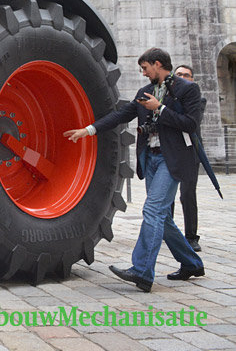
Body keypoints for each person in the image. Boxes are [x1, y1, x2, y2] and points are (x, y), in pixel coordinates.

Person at [64, 47, 204, 292]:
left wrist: (159, 109)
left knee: (152, 209)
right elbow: (120, 116)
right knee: (162, 216)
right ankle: (191, 263)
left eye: (145, 68)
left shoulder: (187, 89)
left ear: (158, 64)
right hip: (150, 159)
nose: (143, 73)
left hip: (173, 160)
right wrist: (88, 130)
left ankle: (142, 271)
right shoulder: (145, 92)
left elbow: (191, 124)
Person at [170, 64, 207, 252]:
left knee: (187, 195)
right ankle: (167, 232)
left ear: (192, 79)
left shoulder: (198, 100)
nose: (183, 77)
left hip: (190, 152)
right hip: (171, 151)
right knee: (167, 196)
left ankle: (191, 237)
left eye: (187, 75)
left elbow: (189, 122)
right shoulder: (166, 97)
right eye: (179, 75)